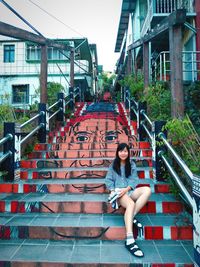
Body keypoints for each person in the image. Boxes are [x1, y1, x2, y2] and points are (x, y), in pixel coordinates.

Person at [105, 143, 151, 258]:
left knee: (147, 190)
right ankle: (130, 239)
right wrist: (112, 190)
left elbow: (134, 180)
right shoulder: (113, 165)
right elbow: (108, 180)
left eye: (125, 151)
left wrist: (127, 189)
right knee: (130, 203)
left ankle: (130, 216)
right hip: (120, 193)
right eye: (121, 151)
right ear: (117, 152)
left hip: (129, 190)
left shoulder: (131, 164)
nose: (123, 153)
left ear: (128, 152)